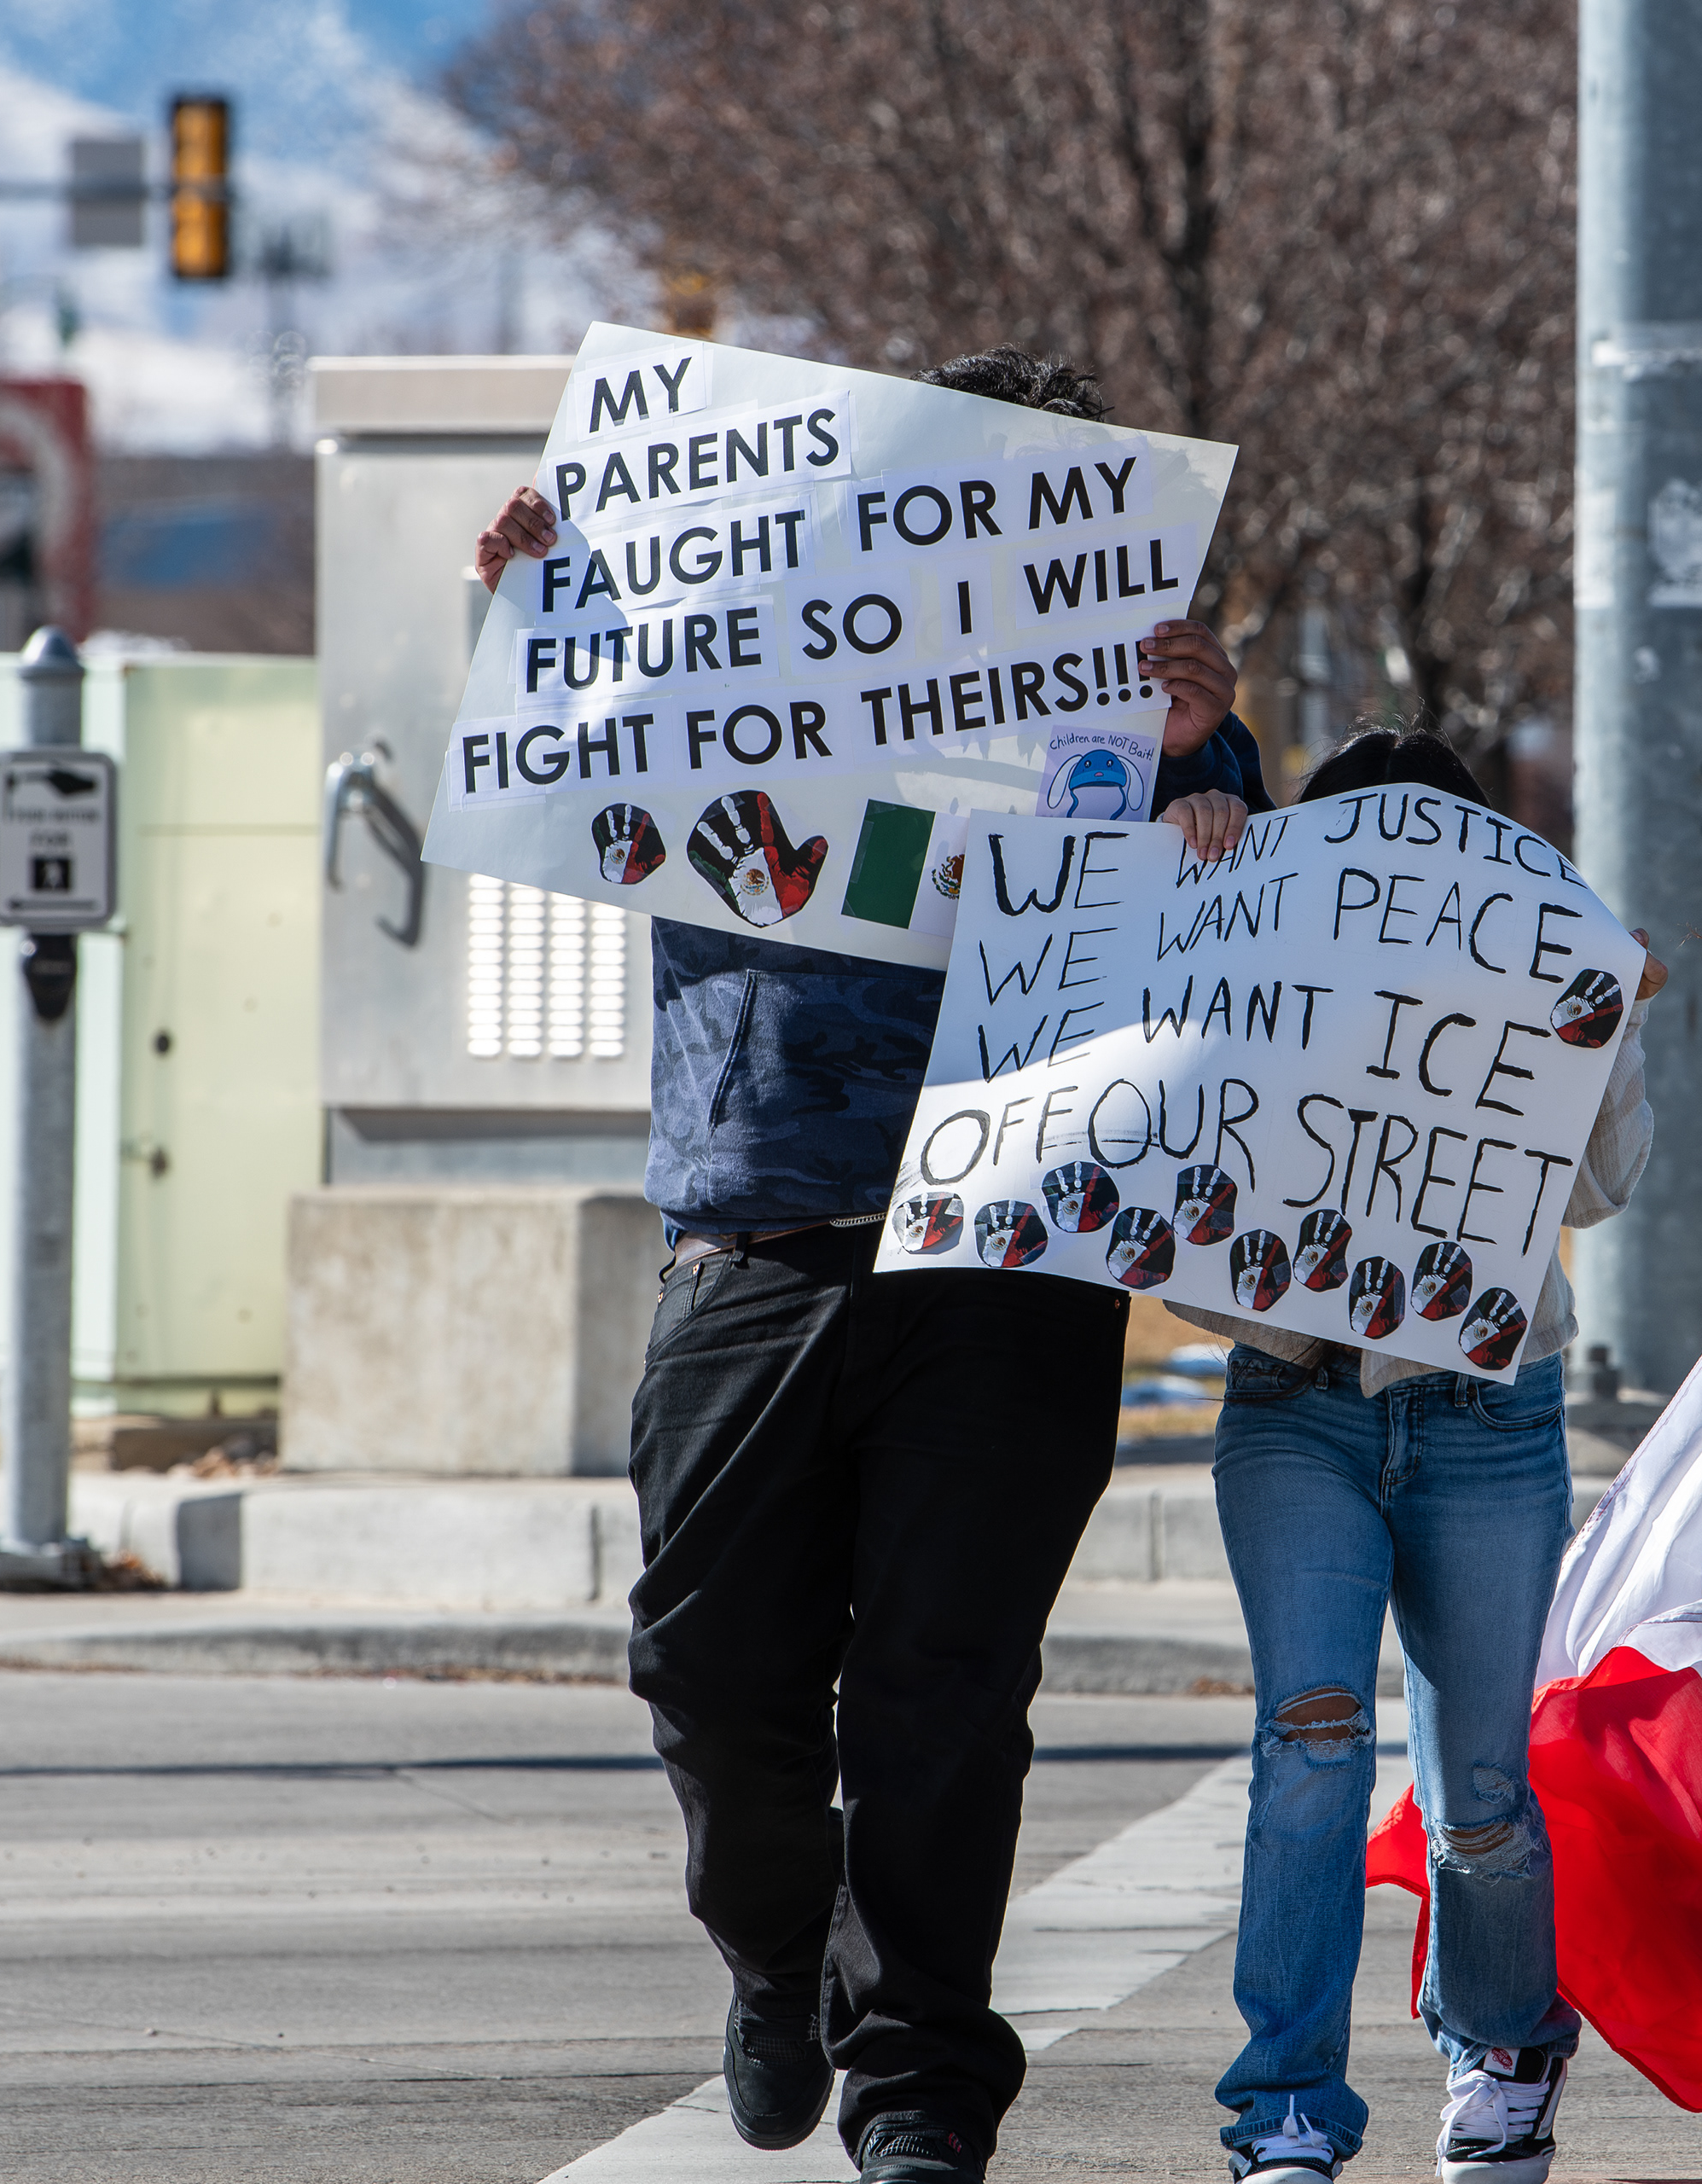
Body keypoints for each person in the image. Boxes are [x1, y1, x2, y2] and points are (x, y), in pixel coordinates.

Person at [473, 346, 1267, 2184]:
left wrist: (1200, 758)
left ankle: (922, 2089)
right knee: (706, 1670)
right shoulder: (736, 647)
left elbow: (1230, 954)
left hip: (1015, 1247)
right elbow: (557, 773)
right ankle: (775, 1943)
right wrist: (534, 610)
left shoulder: (1150, 707)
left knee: (949, 1686)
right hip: (759, 1229)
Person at [1165, 728, 1661, 2184]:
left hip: (1486, 1416)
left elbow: (1601, 1186)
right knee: (1311, 1751)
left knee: (1483, 1790)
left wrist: (1600, 1021)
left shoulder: (1531, 980)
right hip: (1296, 1408)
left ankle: (1503, 2046)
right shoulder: (1258, 984)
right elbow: (1188, 1271)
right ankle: (1287, 2105)